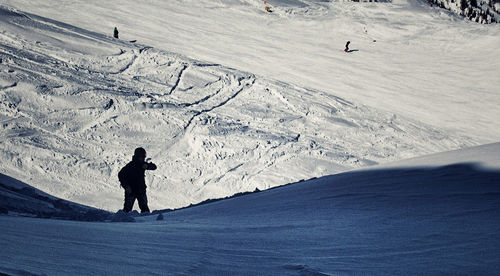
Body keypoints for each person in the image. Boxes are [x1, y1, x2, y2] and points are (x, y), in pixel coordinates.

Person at [118, 147, 157, 213]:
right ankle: (123, 222)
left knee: (145, 210)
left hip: (141, 190)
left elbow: (154, 167)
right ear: (138, 156)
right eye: (142, 156)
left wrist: (147, 166)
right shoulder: (130, 166)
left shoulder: (142, 164)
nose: (144, 158)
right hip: (131, 191)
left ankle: (145, 223)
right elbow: (121, 175)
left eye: (144, 156)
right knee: (127, 211)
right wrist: (126, 186)